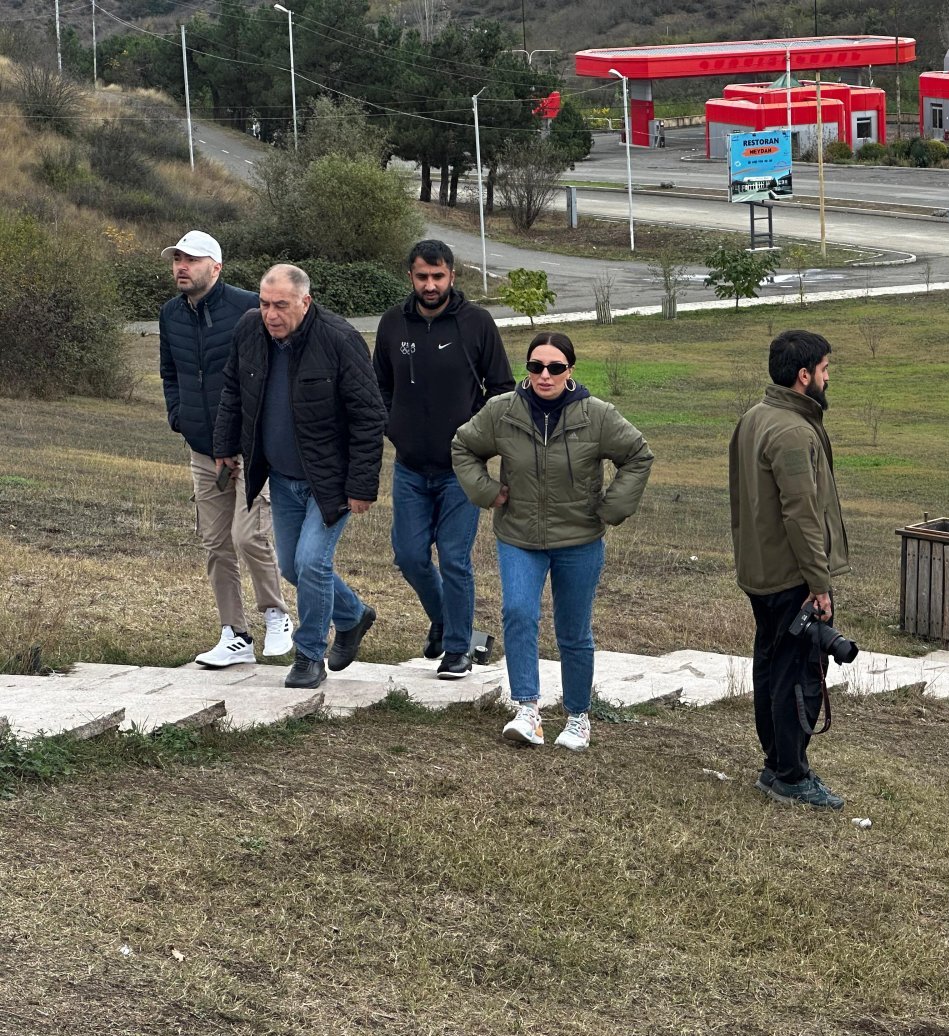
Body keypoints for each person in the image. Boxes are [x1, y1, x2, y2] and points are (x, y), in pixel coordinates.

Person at [451, 331, 653, 751]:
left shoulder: (597, 415)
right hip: (518, 536)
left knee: (573, 629)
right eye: (536, 366)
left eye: (555, 367)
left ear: (570, 371)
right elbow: (464, 446)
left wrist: (613, 507)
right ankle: (528, 711)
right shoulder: (502, 411)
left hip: (579, 539)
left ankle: (578, 717)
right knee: (518, 612)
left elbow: (637, 454)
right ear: (527, 370)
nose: (545, 375)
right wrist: (487, 492)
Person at [213, 264, 386, 690]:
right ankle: (351, 615)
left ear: (305, 302)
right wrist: (224, 446)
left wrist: (362, 485)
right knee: (292, 566)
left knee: (312, 562)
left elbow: (369, 416)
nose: (271, 314)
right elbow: (234, 389)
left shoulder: (339, 338)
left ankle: (310, 656)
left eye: (281, 306)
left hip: (330, 479)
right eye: (265, 304)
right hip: (281, 476)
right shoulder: (250, 331)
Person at [374, 239, 513, 679]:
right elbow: (379, 387)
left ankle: (458, 649)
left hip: (462, 468)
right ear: (410, 277)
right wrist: (390, 426)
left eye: (438, 276)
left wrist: (478, 437)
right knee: (410, 556)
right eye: (422, 276)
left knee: (454, 559)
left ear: (452, 275)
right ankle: (445, 620)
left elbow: (503, 391)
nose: (430, 285)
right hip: (410, 465)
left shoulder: (477, 323)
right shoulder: (393, 324)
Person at [158, 230, 293, 669]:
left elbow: (273, 372)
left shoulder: (248, 310)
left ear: (215, 267)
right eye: (177, 259)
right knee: (215, 542)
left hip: (250, 449)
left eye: (191, 260)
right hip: (201, 447)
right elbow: (170, 372)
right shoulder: (170, 315)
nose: (182, 266)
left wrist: (253, 433)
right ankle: (234, 634)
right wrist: (179, 415)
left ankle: (276, 614)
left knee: (249, 534)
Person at [728, 330, 851, 810]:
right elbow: (802, 515)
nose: (827, 378)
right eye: (824, 370)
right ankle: (790, 775)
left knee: (772, 668)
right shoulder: (794, 431)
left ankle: (775, 764)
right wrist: (817, 586)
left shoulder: (755, 417)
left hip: (761, 571)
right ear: (804, 376)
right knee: (798, 674)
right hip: (791, 576)